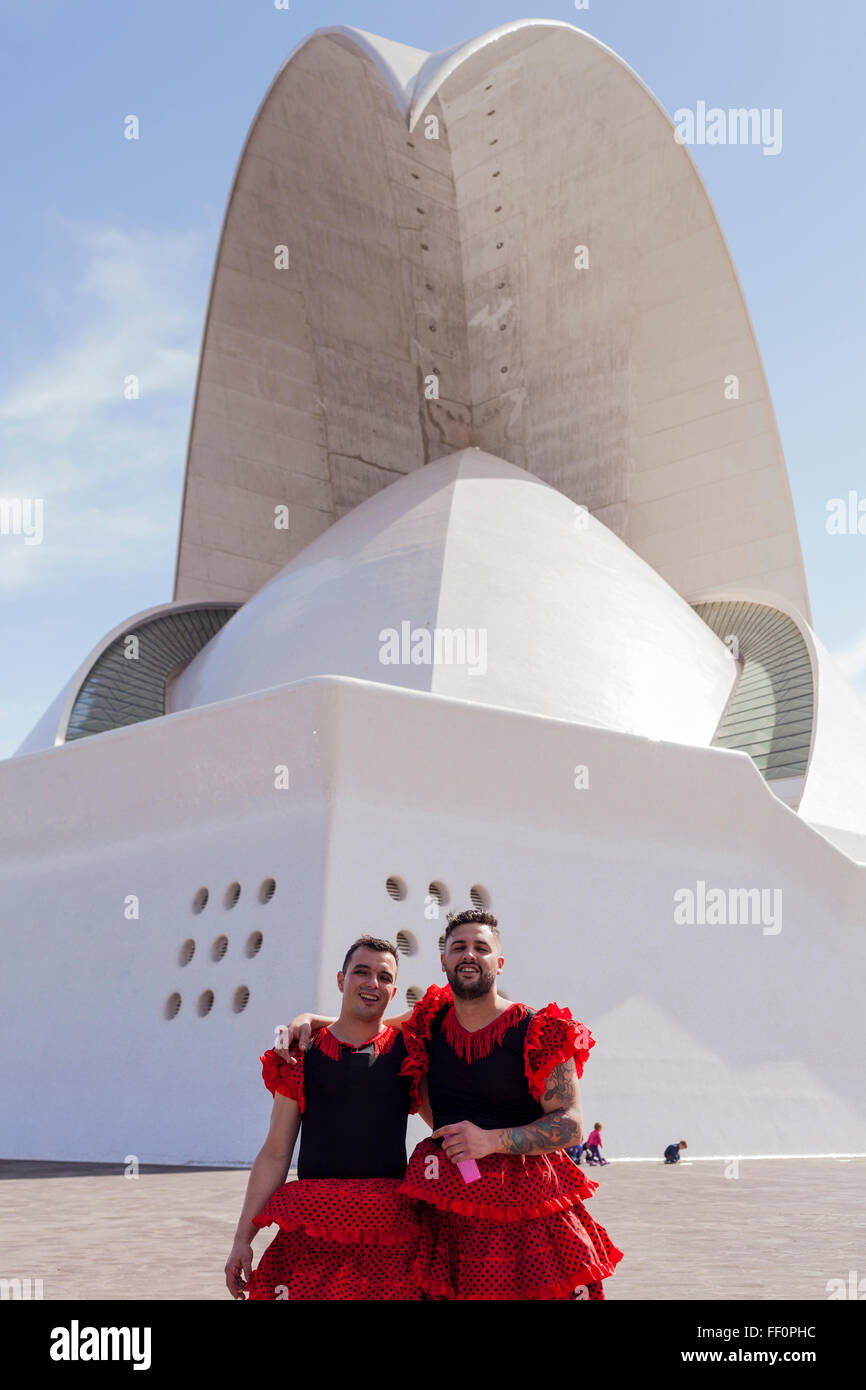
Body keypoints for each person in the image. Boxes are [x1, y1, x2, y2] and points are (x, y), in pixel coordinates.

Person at [280, 908, 624, 1301]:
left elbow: (570, 1125)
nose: (469, 955)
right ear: (443, 959)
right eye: (458, 947)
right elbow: (369, 1023)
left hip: (527, 1209)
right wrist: (309, 1019)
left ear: (500, 961)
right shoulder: (430, 1020)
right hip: (446, 1206)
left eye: (481, 947)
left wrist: (492, 1141)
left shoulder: (539, 1030)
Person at [225, 935, 426, 1300]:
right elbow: (275, 1153)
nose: (372, 983)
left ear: (394, 991)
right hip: (313, 1226)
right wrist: (242, 1239)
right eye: (361, 972)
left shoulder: (407, 1051)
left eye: (384, 977)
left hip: (389, 1229)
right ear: (340, 979)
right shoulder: (300, 1054)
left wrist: (311, 1017)